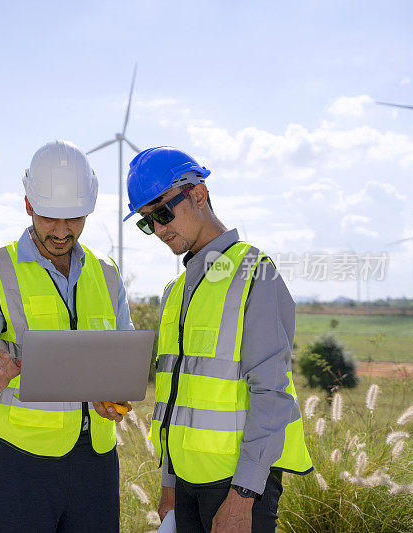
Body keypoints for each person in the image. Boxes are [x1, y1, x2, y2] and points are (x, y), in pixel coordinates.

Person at [123, 146, 313, 532]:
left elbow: (272, 393)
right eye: (147, 222)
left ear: (198, 194)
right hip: (186, 488)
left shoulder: (254, 273)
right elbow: (179, 398)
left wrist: (243, 498)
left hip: (237, 488)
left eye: (162, 213)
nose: (159, 230)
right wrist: (169, 483)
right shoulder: (176, 291)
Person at [0, 140, 134, 532]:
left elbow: (122, 357)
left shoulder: (106, 273)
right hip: (22, 465)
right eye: (51, 217)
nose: (62, 232)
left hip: (97, 463)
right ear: (29, 204)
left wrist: (113, 396)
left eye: (75, 219)